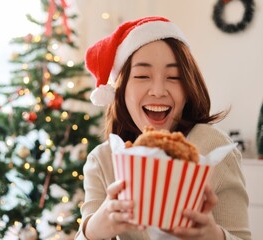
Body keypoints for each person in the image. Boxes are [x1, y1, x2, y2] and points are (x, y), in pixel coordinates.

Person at [75, 16, 251, 240]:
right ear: (121, 90)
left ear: (188, 87)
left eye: (174, 77)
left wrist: (213, 235)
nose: (158, 90)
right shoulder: (103, 161)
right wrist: (95, 228)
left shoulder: (215, 148)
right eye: (142, 76)